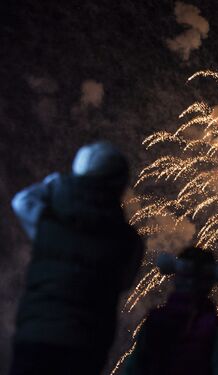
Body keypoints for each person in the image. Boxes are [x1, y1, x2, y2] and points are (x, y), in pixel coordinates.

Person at [10, 141, 144, 375]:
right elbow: (125, 282)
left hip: (37, 333)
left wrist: (56, 184)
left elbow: (21, 201)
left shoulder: (49, 221)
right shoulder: (128, 240)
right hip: (88, 341)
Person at [123, 247, 218, 375]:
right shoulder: (212, 325)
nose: (191, 283)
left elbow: (135, 366)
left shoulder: (156, 318)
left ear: (175, 278)